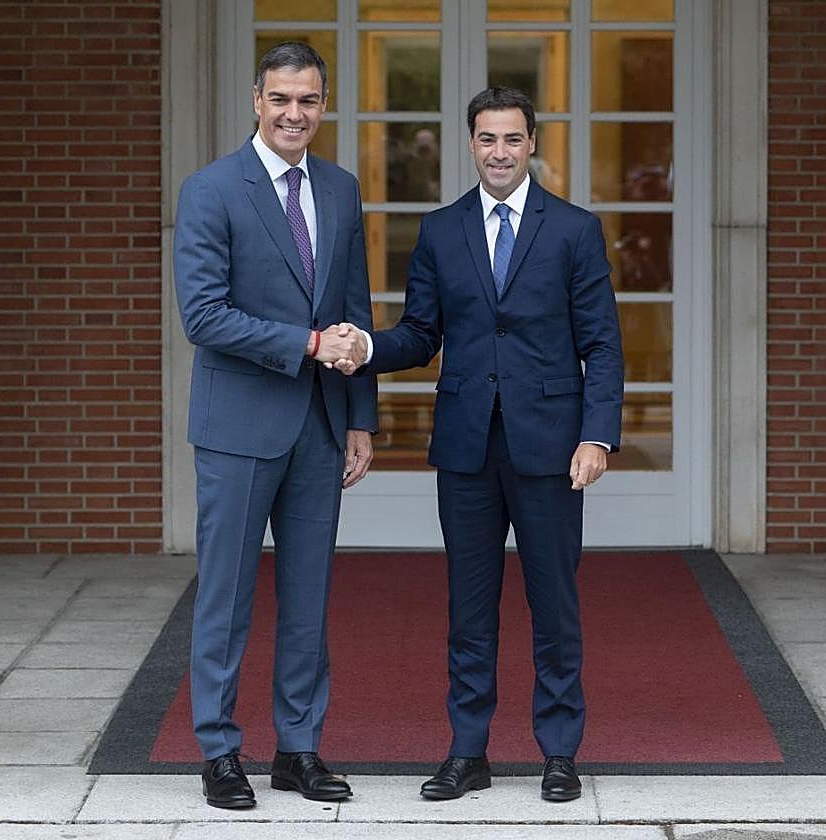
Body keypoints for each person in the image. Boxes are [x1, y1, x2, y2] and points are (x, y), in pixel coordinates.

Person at [339, 86, 623, 802]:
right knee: (469, 610)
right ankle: (468, 752)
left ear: (534, 145)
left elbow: (603, 344)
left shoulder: (574, 230)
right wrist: (366, 346)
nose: (500, 152)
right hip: (466, 449)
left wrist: (597, 435)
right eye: (487, 140)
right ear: (471, 144)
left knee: (553, 605)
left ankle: (559, 752)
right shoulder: (440, 231)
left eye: (513, 140)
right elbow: (421, 334)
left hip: (552, 447)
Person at [173, 41, 376, 810]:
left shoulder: (341, 188)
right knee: (224, 596)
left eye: (310, 101)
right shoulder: (212, 190)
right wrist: (308, 344)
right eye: (282, 99)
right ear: (256, 101)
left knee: (309, 595)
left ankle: (298, 749)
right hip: (237, 427)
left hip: (323, 426)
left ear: (323, 105)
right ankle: (220, 752)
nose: (296, 113)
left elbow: (351, 306)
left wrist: (360, 416)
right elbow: (203, 314)